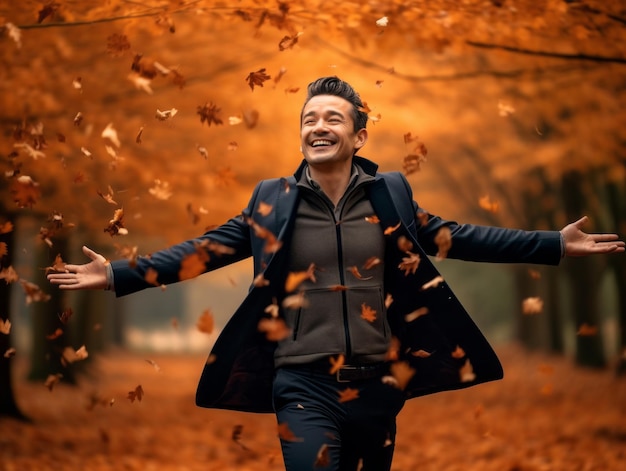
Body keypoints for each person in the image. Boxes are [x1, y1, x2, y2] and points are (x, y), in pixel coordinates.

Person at [48, 76, 624, 471]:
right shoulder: (272, 201)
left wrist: (553, 244)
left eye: (332, 118)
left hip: (378, 383)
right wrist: (118, 275)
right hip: (301, 383)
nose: (317, 126)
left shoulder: (391, 194)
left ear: (358, 136)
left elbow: (459, 237)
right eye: (308, 119)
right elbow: (203, 250)